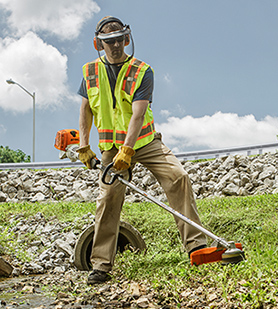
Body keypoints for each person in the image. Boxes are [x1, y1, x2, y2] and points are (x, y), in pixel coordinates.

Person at [77, 16, 207, 285]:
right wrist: (83, 145)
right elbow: (85, 109)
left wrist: (129, 150)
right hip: (111, 149)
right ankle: (101, 265)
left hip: (145, 142)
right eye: (107, 42)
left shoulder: (142, 70)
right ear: (97, 44)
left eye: (117, 40)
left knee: (178, 177)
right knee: (108, 200)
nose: (114, 46)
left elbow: (138, 114)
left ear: (127, 39)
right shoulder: (89, 71)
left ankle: (197, 247)